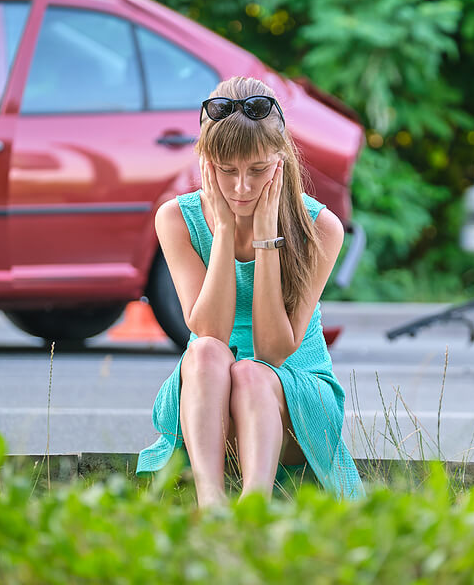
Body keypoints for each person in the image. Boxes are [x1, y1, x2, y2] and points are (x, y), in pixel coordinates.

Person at [135, 77, 364, 506]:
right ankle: (212, 504)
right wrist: (223, 231)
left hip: (292, 401)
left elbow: (274, 351)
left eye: (258, 171)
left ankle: (252, 509)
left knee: (251, 372)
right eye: (226, 171)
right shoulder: (175, 219)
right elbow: (209, 332)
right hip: (208, 399)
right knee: (204, 352)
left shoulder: (320, 227)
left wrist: (264, 239)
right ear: (205, 161)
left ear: (281, 160)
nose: (242, 188)